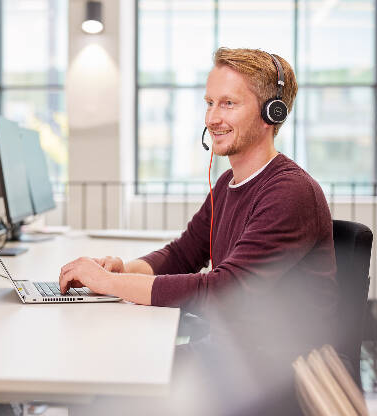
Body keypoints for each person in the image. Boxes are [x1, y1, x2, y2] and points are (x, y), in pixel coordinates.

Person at [60, 48, 338, 415]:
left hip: (277, 375)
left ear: (273, 112)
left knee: (109, 398)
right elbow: (183, 254)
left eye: (228, 104)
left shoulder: (290, 192)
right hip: (230, 357)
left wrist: (106, 284)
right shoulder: (228, 183)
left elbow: (223, 291)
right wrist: (122, 269)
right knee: (107, 375)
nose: (211, 118)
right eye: (209, 103)